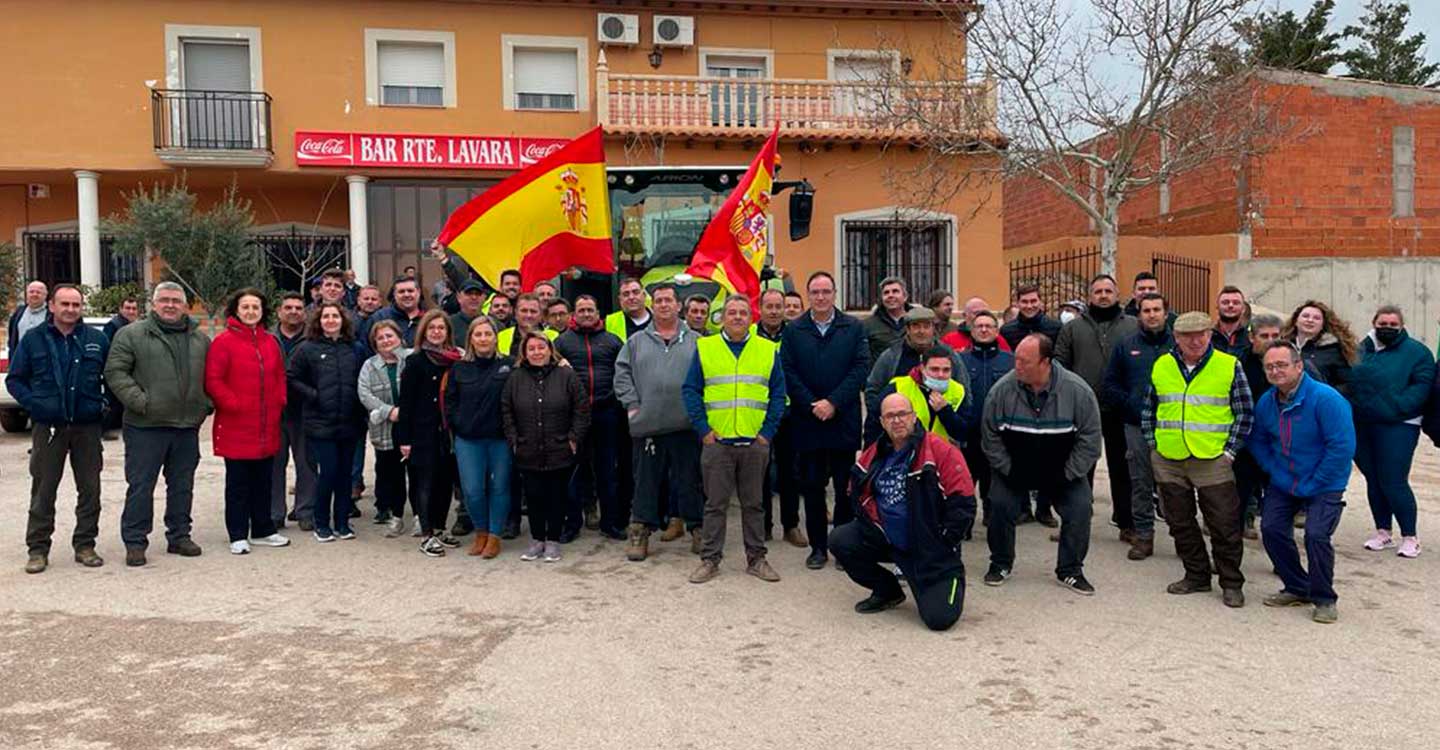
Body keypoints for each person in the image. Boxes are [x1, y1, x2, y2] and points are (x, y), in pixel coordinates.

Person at [830, 392, 977, 630]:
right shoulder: (875, 453)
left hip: (930, 549)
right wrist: (869, 522)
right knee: (840, 540)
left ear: (914, 416)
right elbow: (855, 490)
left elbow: (964, 502)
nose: (897, 420)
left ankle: (948, 575)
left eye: (902, 414)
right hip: (888, 539)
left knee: (939, 619)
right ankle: (888, 591)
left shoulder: (940, 450)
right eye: (890, 416)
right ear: (882, 422)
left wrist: (944, 542)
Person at [1142, 311, 1253, 608]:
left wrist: (1229, 452)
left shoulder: (1229, 365)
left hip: (1213, 458)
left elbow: (1244, 413)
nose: (1195, 340)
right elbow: (1149, 408)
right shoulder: (1163, 365)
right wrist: (1153, 444)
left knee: (1224, 523)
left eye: (1201, 334)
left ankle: (1231, 582)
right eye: (1187, 336)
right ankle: (1196, 575)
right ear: (1176, 338)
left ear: (1210, 335)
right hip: (1169, 457)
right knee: (1179, 521)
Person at [981, 334, 1102, 595]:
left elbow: (1090, 441)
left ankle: (1070, 569)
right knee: (999, 505)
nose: (1017, 367)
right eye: (1016, 360)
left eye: (1024, 362)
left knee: (1080, 508)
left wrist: (1067, 473)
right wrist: (1008, 469)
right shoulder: (1000, 391)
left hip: (1062, 468)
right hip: (1014, 467)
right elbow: (990, 437)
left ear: (1046, 362)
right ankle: (1000, 563)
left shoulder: (1079, 392)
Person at [106, 282, 212, 567]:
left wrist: (204, 405)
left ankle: (179, 536)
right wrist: (142, 402)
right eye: (164, 300)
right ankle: (135, 541)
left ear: (185, 305)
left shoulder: (200, 340)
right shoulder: (131, 334)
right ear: (153, 304)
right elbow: (115, 372)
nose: (170, 305)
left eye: (176, 300)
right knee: (141, 486)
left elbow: (212, 378)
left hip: (186, 425)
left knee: (182, 485)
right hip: (145, 426)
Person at [683, 295, 786, 583]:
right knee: (715, 505)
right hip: (718, 443)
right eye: (732, 312)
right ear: (722, 318)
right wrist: (704, 430)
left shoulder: (767, 350)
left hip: (755, 443)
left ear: (751, 317)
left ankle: (756, 558)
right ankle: (710, 560)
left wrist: (767, 433)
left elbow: (779, 393)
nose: (738, 317)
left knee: (754, 505)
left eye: (743, 312)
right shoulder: (706, 347)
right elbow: (691, 390)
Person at [1250, 341, 1354, 624]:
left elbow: (1342, 447)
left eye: (1282, 364)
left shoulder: (1327, 399)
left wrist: (1315, 482)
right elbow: (1258, 441)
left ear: (1298, 366)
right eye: (1270, 366)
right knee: (1270, 528)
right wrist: (1275, 471)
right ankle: (1297, 586)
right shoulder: (1267, 402)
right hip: (1285, 480)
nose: (1275, 370)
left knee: (1316, 535)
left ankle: (1324, 598)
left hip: (1325, 481)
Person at [9, 284, 108, 574]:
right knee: (43, 490)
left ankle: (85, 545)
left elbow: (112, 376)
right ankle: (38, 549)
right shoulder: (33, 339)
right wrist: (35, 405)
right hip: (48, 427)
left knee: (90, 489)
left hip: (87, 427)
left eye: (76, 305)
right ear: (51, 306)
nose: (70, 309)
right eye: (64, 304)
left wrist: (104, 407)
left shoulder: (96, 340)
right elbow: (15, 380)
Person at [781, 271, 870, 570]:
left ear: (834, 294)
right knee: (812, 487)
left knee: (845, 488)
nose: (820, 297)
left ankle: (842, 546)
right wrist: (811, 404)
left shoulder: (853, 327)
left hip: (842, 418)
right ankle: (818, 547)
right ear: (808, 295)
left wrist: (833, 402)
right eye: (815, 292)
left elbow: (860, 368)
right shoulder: (794, 330)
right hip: (808, 421)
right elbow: (788, 371)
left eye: (826, 291)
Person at [615, 283, 706, 560]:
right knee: (645, 481)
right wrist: (632, 405)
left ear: (679, 306)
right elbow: (621, 375)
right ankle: (640, 532)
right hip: (648, 425)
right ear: (651, 306)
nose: (664, 305)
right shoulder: (636, 342)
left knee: (690, 480)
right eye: (658, 301)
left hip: (686, 425)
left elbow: (709, 378)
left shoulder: (697, 341)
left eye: (668, 300)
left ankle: (698, 529)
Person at [204, 289, 290, 556]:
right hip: (237, 423)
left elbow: (278, 376)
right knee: (238, 483)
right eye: (246, 307)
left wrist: (279, 401)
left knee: (264, 480)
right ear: (236, 310)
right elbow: (214, 381)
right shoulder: (223, 342)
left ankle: (263, 529)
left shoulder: (269, 341)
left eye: (256, 307)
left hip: (267, 423)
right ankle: (238, 533)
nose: (251, 311)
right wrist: (234, 404)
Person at [1056, 274, 1138, 543]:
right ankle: (1075, 519)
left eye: (1108, 291)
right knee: (1080, 467)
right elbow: (1060, 366)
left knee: (1121, 467)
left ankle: (1127, 523)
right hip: (1083, 410)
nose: (1103, 295)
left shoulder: (1133, 327)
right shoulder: (1072, 328)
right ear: (1089, 296)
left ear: (1117, 294)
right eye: (1098, 291)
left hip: (1120, 408)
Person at [1347, 305, 1434, 557]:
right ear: (1374, 323)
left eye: (1393, 324)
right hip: (1363, 423)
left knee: (1393, 480)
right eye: (1382, 323)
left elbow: (1422, 386)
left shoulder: (1417, 352)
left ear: (1401, 325)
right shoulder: (1359, 350)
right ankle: (1383, 532)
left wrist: (1396, 408)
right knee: (1373, 479)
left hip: (1399, 424)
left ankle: (1410, 537)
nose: (1387, 328)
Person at [503, 331, 589, 563]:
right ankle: (536, 539)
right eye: (531, 348)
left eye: (541, 347)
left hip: (559, 447)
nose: (537, 352)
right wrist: (513, 439)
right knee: (533, 496)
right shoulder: (516, 377)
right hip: (527, 448)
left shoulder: (566, 375)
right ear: (524, 352)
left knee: (557, 495)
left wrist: (574, 438)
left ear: (550, 350)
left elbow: (581, 408)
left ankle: (553, 540)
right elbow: (506, 410)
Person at [1101, 292, 1173, 560]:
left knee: (1174, 484)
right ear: (1139, 314)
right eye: (1146, 310)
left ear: (1166, 313)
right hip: (1136, 424)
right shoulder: (1126, 345)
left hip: (1174, 426)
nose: (1152, 314)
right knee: (1139, 481)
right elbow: (1110, 384)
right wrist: (1131, 404)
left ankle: (1183, 536)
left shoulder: (1178, 345)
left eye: (1157, 309)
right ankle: (1144, 535)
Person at [287, 302, 367, 544]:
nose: (330, 320)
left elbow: (364, 378)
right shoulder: (307, 349)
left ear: (343, 320)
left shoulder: (356, 348)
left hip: (350, 421)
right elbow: (291, 377)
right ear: (318, 321)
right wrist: (314, 395)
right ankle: (321, 522)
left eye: (335, 316)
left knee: (345, 475)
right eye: (326, 317)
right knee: (328, 472)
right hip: (320, 422)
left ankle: (342, 522)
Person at [555, 295, 625, 540]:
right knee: (573, 471)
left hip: (606, 412)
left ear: (598, 313)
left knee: (608, 471)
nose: (586, 314)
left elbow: (624, 373)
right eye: (581, 310)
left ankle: (610, 523)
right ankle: (572, 524)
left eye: (590, 310)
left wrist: (617, 400)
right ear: (574, 313)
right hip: (574, 415)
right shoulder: (562, 342)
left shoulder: (613, 341)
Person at [395, 310, 463, 556]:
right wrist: (405, 439)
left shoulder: (455, 360)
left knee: (444, 483)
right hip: (421, 432)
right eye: (432, 327)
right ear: (424, 331)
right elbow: (406, 403)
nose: (436, 332)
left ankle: (440, 526)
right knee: (424, 483)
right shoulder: (415, 362)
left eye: (441, 328)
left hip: (447, 432)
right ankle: (426, 534)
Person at [446, 317, 513, 558]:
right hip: (469, 440)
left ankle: (495, 536)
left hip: (500, 439)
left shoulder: (509, 364)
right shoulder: (459, 368)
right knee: (472, 490)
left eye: (488, 334)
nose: (483, 339)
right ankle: (481, 532)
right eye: (478, 334)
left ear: (496, 337)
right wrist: (458, 423)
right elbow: (450, 401)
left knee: (499, 487)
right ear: (471, 339)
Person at [864, 307, 971, 443]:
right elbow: (873, 391)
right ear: (908, 330)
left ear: (934, 329)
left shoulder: (951, 356)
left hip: (943, 447)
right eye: (916, 326)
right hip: (898, 442)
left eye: (926, 326)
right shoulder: (891, 356)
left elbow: (964, 393)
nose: (921, 331)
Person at [755, 289, 803, 546]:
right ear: (760, 308)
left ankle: (791, 525)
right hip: (759, 412)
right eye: (769, 306)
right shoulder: (750, 335)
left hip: (790, 412)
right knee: (760, 472)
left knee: (790, 472)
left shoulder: (797, 335)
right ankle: (763, 527)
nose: (774, 311)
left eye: (778, 306)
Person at [956, 310, 1013, 530]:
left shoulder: (1009, 361)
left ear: (997, 331)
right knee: (965, 482)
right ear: (972, 330)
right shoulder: (960, 360)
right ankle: (965, 522)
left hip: (998, 435)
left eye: (989, 326)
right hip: (968, 433)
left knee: (995, 484)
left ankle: (992, 517)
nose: (984, 329)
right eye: (979, 326)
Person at [359, 319, 413, 538]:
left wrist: (407, 412)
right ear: (374, 343)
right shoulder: (369, 365)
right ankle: (396, 515)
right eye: (380, 338)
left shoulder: (411, 358)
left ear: (399, 337)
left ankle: (421, 516)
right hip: (385, 427)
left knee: (418, 474)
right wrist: (389, 411)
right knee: (393, 474)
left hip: (413, 427)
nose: (385, 340)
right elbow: (364, 394)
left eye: (389, 336)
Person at [271, 293, 317, 531]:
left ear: (305, 312)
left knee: (307, 464)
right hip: (274, 411)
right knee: (274, 465)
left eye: (298, 308)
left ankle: (305, 511)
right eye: (288, 307)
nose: (293, 311)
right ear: (279, 312)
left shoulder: (313, 339)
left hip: (304, 410)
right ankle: (274, 512)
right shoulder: (268, 338)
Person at [1237, 313, 1285, 538]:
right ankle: (1229, 560)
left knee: (1278, 508)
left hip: (1279, 446)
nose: (1271, 340)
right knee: (1235, 505)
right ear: (1252, 338)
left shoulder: (1295, 366)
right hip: (1245, 444)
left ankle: (1282, 561)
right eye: (1264, 335)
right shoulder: (1238, 365)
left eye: (1276, 335)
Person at [1284, 300, 1357, 394]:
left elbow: (1345, 383)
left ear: (1323, 325)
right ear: (1296, 321)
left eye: (1317, 318)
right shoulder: (1282, 346)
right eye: (1305, 316)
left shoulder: (1333, 350)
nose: (1310, 320)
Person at [101, 296, 142, 437]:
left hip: (131, 371)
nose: (131, 311)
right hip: (116, 371)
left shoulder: (137, 326)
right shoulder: (113, 325)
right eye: (127, 308)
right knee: (111, 403)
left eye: (134, 308)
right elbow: (107, 349)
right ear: (120, 309)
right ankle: (103, 430)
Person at [362, 276, 425, 349]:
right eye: (401, 291)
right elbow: (367, 347)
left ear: (419, 292)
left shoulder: (427, 319)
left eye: (410, 291)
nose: (406, 295)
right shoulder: (379, 318)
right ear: (394, 295)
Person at [862, 276, 912, 362]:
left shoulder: (918, 322)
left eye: (895, 291)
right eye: (886, 293)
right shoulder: (867, 325)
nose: (890, 295)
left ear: (905, 297)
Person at [999, 284, 1062, 350]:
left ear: (1040, 302)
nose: (1029, 306)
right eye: (1024, 302)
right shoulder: (1006, 331)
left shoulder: (1056, 327)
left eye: (1033, 301)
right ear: (1017, 303)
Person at [941, 297, 1012, 354]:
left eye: (985, 313)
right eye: (976, 313)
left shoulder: (998, 340)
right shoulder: (950, 340)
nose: (980, 316)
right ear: (965, 315)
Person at [8, 279, 50, 347]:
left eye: (38, 292)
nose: (34, 294)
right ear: (27, 294)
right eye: (31, 292)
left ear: (45, 295)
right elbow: (12, 337)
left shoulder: (52, 314)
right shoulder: (18, 313)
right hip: (21, 356)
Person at [1211, 286, 1250, 357]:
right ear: (1217, 307)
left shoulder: (1251, 338)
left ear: (1243, 309)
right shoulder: (1208, 337)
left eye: (1236, 303)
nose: (1230, 305)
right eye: (1225, 302)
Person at [449, 280, 488, 347]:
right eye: (469, 293)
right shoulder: (448, 324)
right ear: (458, 297)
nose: (474, 297)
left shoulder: (494, 325)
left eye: (478, 294)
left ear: (484, 298)